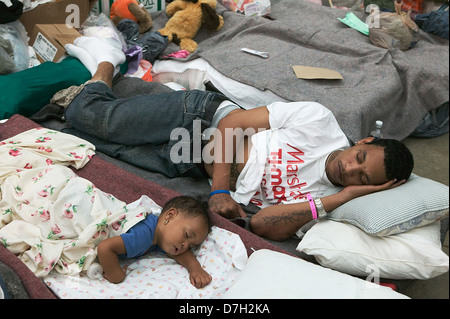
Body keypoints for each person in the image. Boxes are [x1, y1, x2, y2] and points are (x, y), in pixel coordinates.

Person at [60, 36, 414, 243]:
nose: (349, 168)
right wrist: (219, 192)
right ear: (364, 141)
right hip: (200, 119)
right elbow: (232, 124)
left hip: (190, 162)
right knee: (88, 116)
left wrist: (342, 197)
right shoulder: (318, 123)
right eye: (361, 158)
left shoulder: (326, 201)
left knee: (77, 141)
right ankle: (108, 57)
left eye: (361, 178)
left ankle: (99, 89)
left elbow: (262, 225)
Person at [97, 196, 212, 287]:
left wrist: (196, 269)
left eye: (191, 246)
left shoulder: (161, 236)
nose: (185, 246)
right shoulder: (143, 235)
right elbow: (105, 248)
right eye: (186, 235)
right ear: (170, 216)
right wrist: (116, 275)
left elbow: (182, 254)